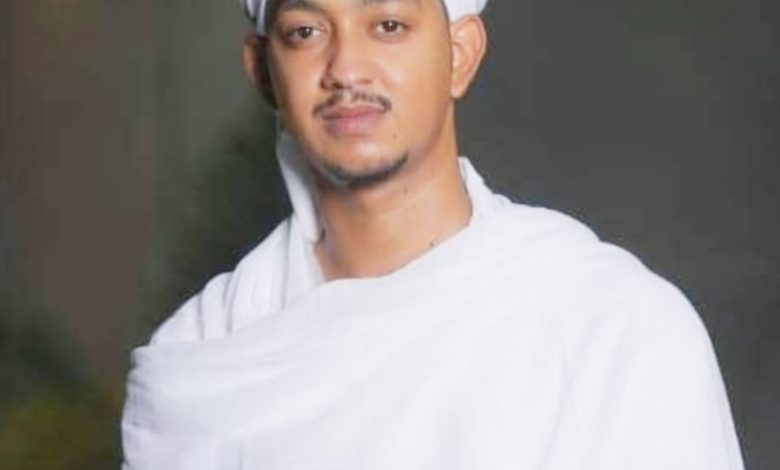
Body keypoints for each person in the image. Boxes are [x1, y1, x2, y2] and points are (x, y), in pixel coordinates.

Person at [120, 0, 745, 468]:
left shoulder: (609, 328)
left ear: (460, 54)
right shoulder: (202, 359)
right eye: (306, 32)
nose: (346, 68)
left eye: (388, 25)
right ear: (262, 71)